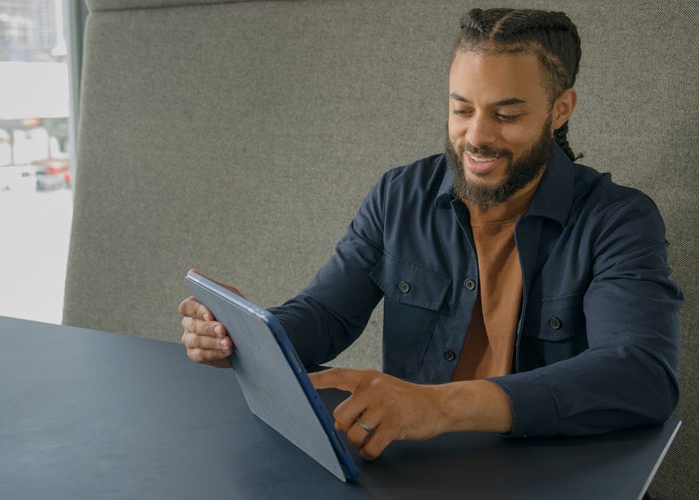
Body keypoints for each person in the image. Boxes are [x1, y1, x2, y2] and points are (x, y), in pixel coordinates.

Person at [179, 8, 683, 461]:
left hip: (545, 472)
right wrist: (247, 335)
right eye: (462, 109)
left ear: (560, 109)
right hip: (415, 467)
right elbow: (328, 314)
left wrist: (439, 406)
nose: (478, 136)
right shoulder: (399, 194)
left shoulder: (619, 220)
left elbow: (641, 374)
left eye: (507, 115)